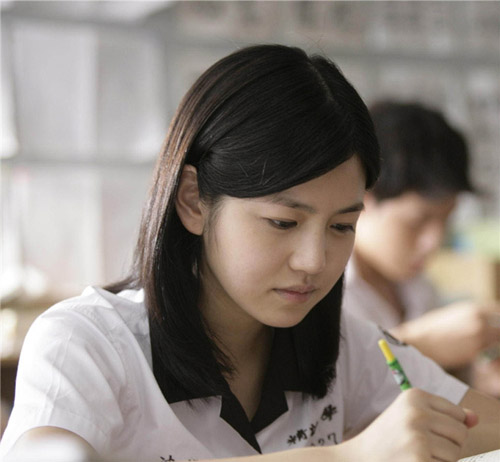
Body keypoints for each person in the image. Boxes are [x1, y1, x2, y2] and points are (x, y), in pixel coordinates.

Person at [1, 45, 499, 462]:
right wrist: (346, 457)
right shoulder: (85, 344)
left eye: (342, 226)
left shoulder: (348, 349)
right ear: (194, 200)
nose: (314, 261)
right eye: (283, 223)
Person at [342, 101, 500, 394]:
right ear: (362, 197)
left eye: (446, 220)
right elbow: (319, 387)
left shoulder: (417, 286)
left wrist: (477, 377)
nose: (434, 242)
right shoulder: (321, 289)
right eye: (417, 221)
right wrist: (419, 344)